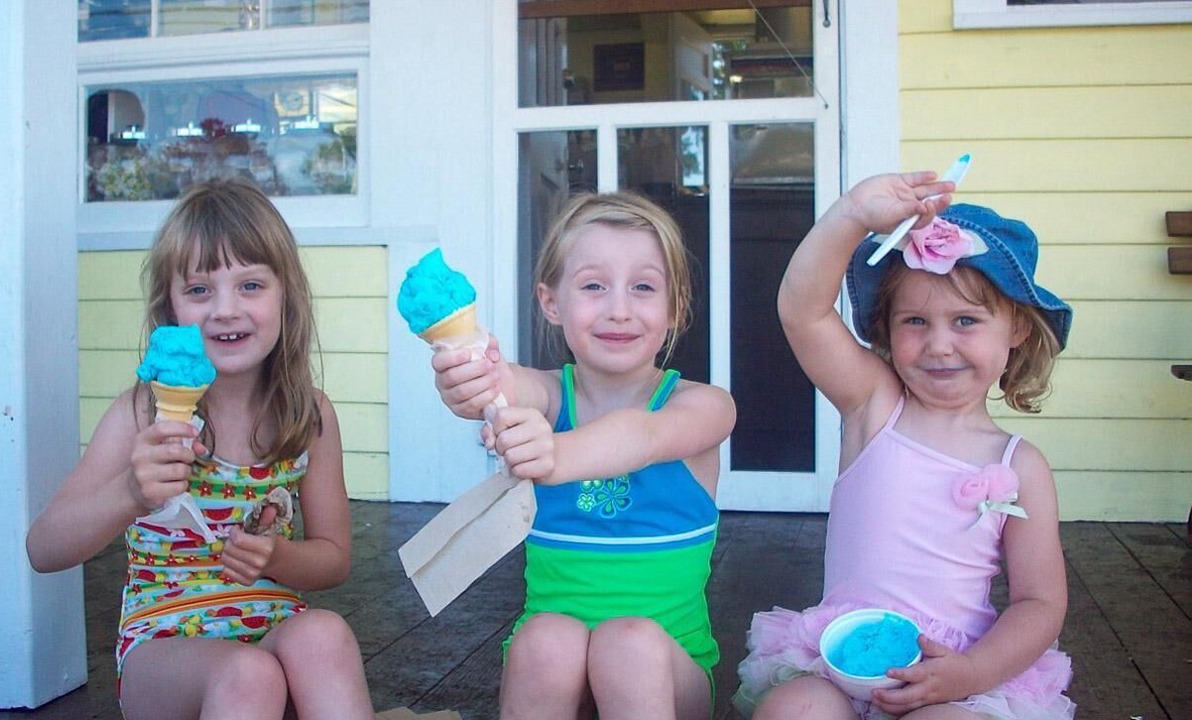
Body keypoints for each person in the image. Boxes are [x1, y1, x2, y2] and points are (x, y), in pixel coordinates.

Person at [27, 178, 375, 720]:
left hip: (273, 627)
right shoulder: (141, 414)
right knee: (247, 675)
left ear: (288, 296)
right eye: (199, 290)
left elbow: (334, 560)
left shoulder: (308, 416)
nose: (226, 309)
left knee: (326, 632)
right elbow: (44, 549)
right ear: (170, 308)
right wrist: (128, 493)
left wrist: (278, 557)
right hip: (165, 650)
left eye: (251, 285)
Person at [733, 172, 1076, 720]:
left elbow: (1040, 602)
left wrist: (973, 673)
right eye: (915, 321)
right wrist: (851, 214)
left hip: (956, 671)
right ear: (887, 332)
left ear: (1016, 328)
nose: (940, 344)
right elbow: (803, 311)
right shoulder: (875, 406)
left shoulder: (1019, 464)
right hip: (839, 660)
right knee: (792, 708)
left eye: (966, 320)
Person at [431, 192, 737, 720]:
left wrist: (554, 454)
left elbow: (642, 437)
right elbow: (497, 386)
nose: (618, 308)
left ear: (675, 308)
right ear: (552, 303)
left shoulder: (704, 407)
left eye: (643, 287)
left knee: (626, 643)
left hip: (666, 672)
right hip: (551, 670)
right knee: (548, 635)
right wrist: (469, 376)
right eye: (593, 286)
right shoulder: (549, 397)